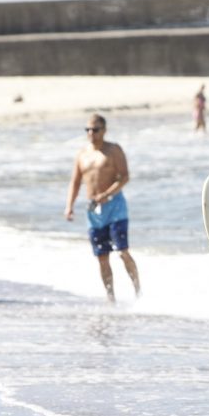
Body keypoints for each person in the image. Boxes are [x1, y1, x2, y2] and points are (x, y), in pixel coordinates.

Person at [64, 114, 141, 302]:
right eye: (88, 129)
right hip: (93, 210)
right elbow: (75, 182)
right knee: (102, 256)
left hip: (115, 206)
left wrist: (106, 195)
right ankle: (111, 298)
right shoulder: (82, 154)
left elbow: (124, 177)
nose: (91, 133)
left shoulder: (113, 150)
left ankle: (138, 291)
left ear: (104, 130)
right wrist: (69, 206)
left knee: (122, 251)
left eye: (96, 129)